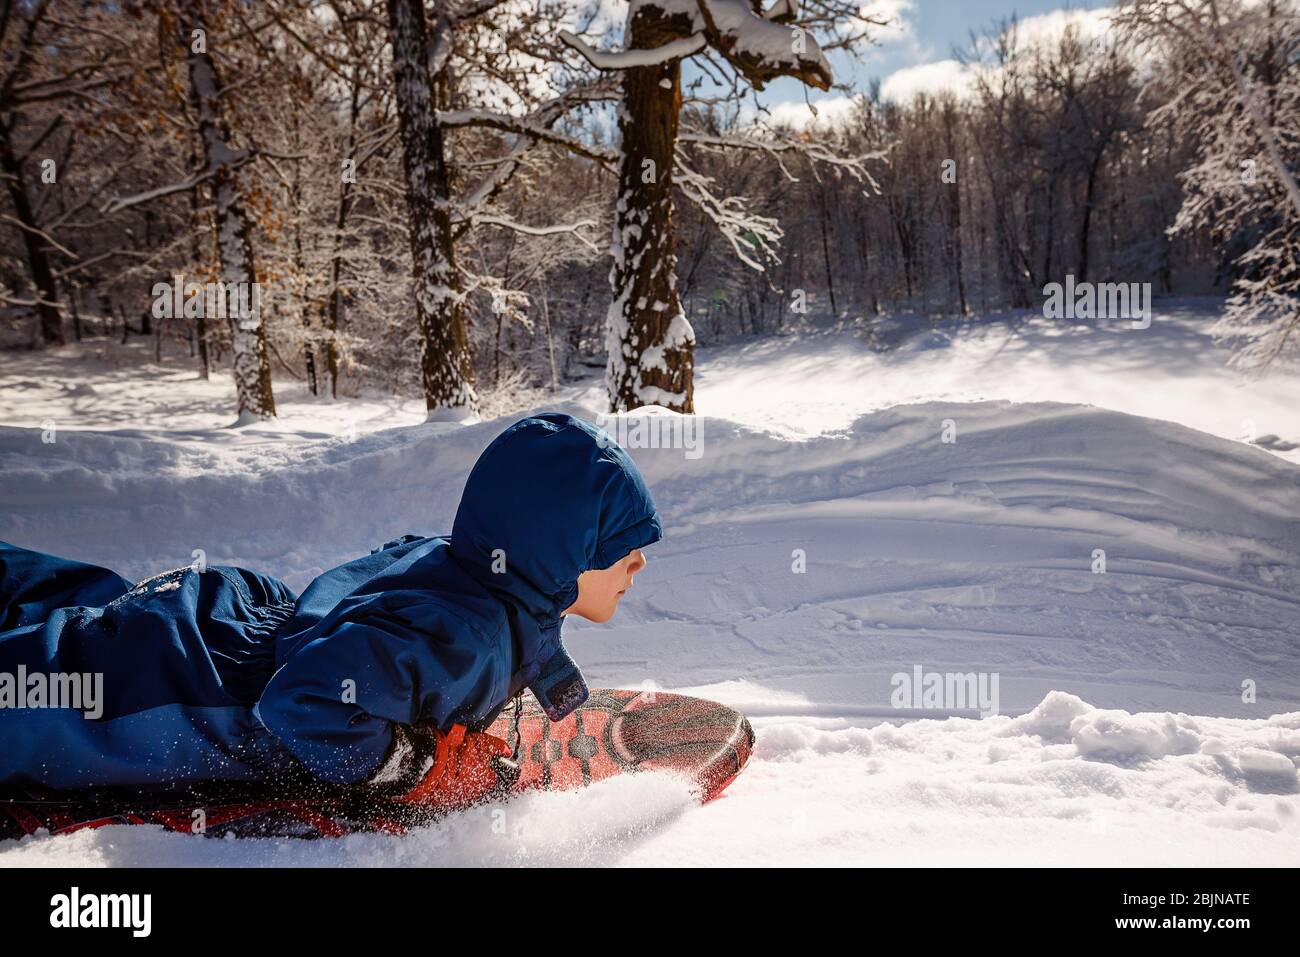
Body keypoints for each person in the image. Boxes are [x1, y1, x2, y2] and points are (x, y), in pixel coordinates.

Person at [0, 413, 661, 810]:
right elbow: (306, 705)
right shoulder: (469, 635)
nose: (637, 565)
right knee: (38, 684)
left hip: (217, 619)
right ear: (555, 554)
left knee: (77, 609)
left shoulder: (465, 570)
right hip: (184, 691)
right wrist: (417, 764)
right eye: (619, 550)